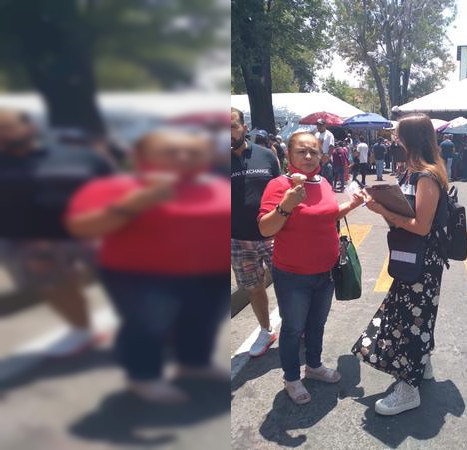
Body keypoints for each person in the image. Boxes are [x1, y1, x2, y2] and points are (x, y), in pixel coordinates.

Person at [66, 129, 230, 403]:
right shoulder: (114, 187)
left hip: (210, 273)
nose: (183, 158)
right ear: (140, 157)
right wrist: (135, 204)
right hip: (142, 275)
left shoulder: (216, 186)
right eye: (170, 152)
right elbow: (80, 226)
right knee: (148, 325)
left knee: (201, 320)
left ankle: (194, 363)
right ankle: (143, 376)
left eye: (193, 152)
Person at [257, 131, 365, 405]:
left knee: (317, 323)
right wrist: (285, 206)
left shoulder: (324, 182)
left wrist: (351, 205)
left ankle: (314, 367)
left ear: (322, 155)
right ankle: (291, 378)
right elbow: (265, 228)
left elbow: (326, 217)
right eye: (301, 151)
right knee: (293, 328)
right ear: (289, 155)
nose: (307, 157)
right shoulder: (279, 186)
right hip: (293, 274)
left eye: (313, 152)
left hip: (325, 272)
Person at [353, 113, 449, 416]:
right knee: (409, 314)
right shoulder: (410, 172)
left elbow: (421, 226)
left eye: (397, 136)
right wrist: (380, 206)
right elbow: (402, 216)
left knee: (411, 318)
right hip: (409, 257)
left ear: (410, 139)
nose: (394, 140)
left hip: (423, 262)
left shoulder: (427, 176)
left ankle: (409, 388)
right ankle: (423, 362)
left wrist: (382, 209)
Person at [0, 108, 114, 357]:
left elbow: (116, 189)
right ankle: (82, 331)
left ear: (30, 128)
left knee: (126, 282)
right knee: (54, 288)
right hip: (27, 241)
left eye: (6, 126)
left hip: (94, 233)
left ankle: (156, 330)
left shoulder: (82, 156)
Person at [230, 108, 281, 356]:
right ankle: (265, 330)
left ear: (243, 127)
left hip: (274, 236)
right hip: (238, 240)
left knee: (286, 282)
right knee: (253, 287)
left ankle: (296, 325)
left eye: (232, 127)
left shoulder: (266, 156)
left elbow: (282, 190)